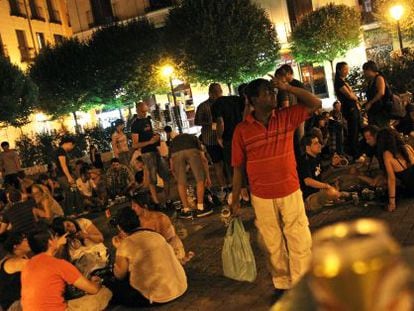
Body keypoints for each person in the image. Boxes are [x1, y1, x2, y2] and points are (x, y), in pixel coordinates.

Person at [230, 77, 321, 295]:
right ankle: (282, 283)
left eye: (272, 91)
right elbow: (237, 169)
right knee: (272, 243)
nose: (273, 94)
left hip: (290, 189)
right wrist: (235, 201)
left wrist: (288, 87)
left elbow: (315, 104)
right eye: (267, 92)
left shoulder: (285, 117)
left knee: (299, 237)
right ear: (253, 100)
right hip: (261, 195)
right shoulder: (242, 130)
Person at [109, 207, 187, 307]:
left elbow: (120, 275)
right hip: (180, 287)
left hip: (157, 297)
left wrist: (119, 249)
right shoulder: (155, 235)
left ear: (120, 228)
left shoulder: (126, 244)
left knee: (114, 287)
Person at [21, 230, 112, 311]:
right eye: (55, 237)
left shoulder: (27, 265)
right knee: (104, 292)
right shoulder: (59, 264)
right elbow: (93, 290)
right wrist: (96, 282)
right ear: (50, 242)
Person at [129, 192, 192, 264]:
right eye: (132, 205)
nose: (132, 208)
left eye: (134, 206)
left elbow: (165, 241)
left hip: (169, 249)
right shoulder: (136, 220)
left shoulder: (160, 218)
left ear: (144, 206)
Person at [213, 84, 250, 203]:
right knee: (248, 162)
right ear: (221, 91)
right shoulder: (236, 99)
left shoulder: (216, 104)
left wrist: (219, 137)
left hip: (230, 138)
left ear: (212, 94)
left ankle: (244, 194)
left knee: (235, 166)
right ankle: (253, 190)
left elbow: (220, 122)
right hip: (244, 134)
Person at [131, 101, 171, 208]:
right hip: (147, 153)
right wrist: (150, 142)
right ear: (138, 110)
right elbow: (135, 144)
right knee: (153, 179)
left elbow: (152, 133)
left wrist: (157, 136)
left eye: (146, 111)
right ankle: (156, 202)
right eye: (143, 111)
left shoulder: (148, 120)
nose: (145, 113)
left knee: (166, 175)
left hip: (155, 150)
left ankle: (167, 200)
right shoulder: (135, 125)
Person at [195, 83, 228, 196]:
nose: (218, 95)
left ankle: (231, 185)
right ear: (210, 93)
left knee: (228, 162)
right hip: (211, 139)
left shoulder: (224, 103)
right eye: (216, 93)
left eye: (220, 92)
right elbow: (197, 121)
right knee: (218, 164)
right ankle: (224, 188)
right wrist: (210, 123)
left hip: (225, 137)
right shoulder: (203, 106)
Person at [169, 133, 212, 218]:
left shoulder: (173, 142)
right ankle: (200, 208)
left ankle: (186, 210)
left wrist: (177, 178)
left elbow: (172, 167)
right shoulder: (194, 138)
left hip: (176, 153)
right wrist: (207, 177)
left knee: (181, 183)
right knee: (200, 180)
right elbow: (204, 160)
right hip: (192, 150)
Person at [297, 134, 341, 212]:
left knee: (337, 179)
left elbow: (320, 176)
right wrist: (327, 186)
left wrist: (332, 165)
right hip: (309, 198)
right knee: (331, 192)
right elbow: (308, 181)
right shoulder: (304, 161)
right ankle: (341, 195)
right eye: (316, 143)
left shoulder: (316, 157)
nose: (320, 145)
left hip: (318, 192)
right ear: (308, 147)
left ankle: (340, 196)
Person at [376, 128, 414, 212]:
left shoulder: (387, 154)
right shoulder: (407, 147)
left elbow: (391, 179)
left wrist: (392, 203)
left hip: (411, 189)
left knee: (384, 193)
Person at [334, 62, 361, 158]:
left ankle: (356, 151)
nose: (347, 71)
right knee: (353, 131)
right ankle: (353, 153)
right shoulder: (339, 82)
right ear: (339, 70)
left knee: (357, 129)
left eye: (347, 69)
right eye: (345, 69)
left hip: (353, 108)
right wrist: (356, 98)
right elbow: (349, 95)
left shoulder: (342, 81)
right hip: (349, 109)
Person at [0, 232, 31, 311]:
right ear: (16, 246)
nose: (29, 242)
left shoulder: (16, 258)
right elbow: (41, 265)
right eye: (25, 240)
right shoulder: (14, 262)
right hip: (13, 305)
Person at [363, 60, 390, 128]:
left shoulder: (379, 78)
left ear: (370, 70)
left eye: (365, 71)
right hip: (374, 110)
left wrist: (370, 103)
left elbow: (381, 92)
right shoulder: (370, 80)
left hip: (381, 109)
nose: (364, 73)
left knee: (382, 128)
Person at [56, 136, 77, 215]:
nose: (71, 148)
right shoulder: (61, 151)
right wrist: (69, 177)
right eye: (72, 146)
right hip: (63, 176)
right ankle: (69, 213)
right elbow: (63, 165)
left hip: (63, 175)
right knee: (69, 193)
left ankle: (74, 211)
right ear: (68, 143)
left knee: (73, 192)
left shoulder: (61, 151)